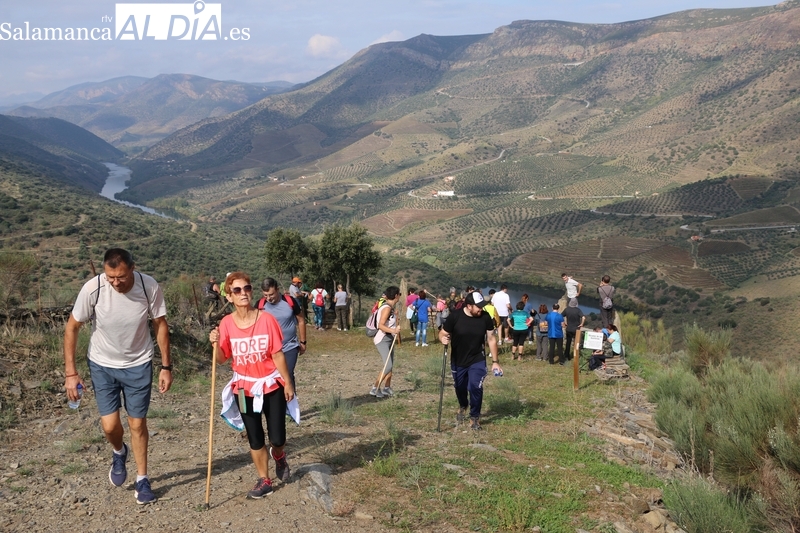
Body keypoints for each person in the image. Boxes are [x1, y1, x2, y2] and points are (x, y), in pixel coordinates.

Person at [63, 248, 171, 505]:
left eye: (120, 277)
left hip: (138, 364)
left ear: (133, 268)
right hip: (102, 364)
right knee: (110, 426)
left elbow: (160, 324)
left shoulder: (148, 286)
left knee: (137, 424)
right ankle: (119, 452)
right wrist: (70, 372)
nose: (115, 282)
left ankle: (143, 479)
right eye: (110, 277)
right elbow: (72, 327)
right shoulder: (93, 288)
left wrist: (166, 366)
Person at [209, 272, 294, 498]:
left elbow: (277, 354)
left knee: (277, 437)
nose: (243, 293)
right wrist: (215, 344)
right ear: (229, 296)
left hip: (271, 386)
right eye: (237, 290)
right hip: (244, 389)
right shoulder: (226, 324)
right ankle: (264, 480)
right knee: (255, 436)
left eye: (246, 288)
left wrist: (287, 382)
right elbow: (222, 358)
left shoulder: (267, 319)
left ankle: (279, 455)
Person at [439, 291, 501, 431]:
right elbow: (443, 333)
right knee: (460, 387)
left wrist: (495, 361)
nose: (481, 309)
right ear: (469, 306)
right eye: (478, 306)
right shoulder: (455, 316)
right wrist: (442, 338)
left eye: (482, 306)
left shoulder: (485, 317)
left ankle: (475, 417)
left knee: (475, 387)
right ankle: (463, 405)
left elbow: (491, 339)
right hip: (458, 359)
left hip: (477, 359)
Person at [257, 277, 307, 391]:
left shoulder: (289, 301)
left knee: (287, 374)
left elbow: (301, 320)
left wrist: (303, 342)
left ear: (277, 290)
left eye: (271, 294)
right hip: (269, 349)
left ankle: (291, 406)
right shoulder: (259, 305)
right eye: (265, 295)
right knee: (272, 377)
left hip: (290, 346)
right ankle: (278, 406)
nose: (269, 298)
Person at [371, 286, 401, 398]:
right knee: (388, 365)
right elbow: (381, 325)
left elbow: (389, 322)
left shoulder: (390, 308)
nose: (400, 296)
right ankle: (375, 388)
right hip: (382, 339)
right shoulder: (387, 308)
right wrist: (393, 330)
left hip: (389, 338)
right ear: (396, 295)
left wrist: (396, 317)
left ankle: (387, 388)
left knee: (390, 365)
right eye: (399, 294)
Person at [561, 298, 585, 364]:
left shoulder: (567, 309)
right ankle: (576, 356)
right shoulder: (578, 310)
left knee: (568, 343)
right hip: (576, 329)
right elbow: (583, 317)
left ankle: (567, 356)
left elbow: (560, 316)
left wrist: (564, 322)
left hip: (569, 328)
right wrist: (582, 324)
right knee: (576, 343)